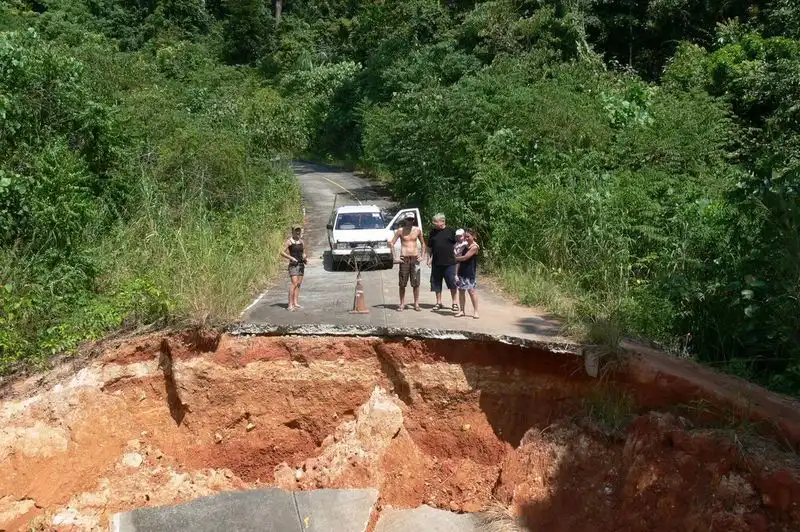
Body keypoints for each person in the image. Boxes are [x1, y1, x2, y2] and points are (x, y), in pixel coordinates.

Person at [390, 212, 425, 311]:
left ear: (413, 220)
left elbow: (423, 243)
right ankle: (402, 304)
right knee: (402, 283)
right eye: (408, 219)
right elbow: (391, 243)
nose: (410, 221)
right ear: (405, 220)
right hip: (404, 259)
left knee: (416, 283)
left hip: (414, 259)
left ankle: (416, 304)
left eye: (411, 219)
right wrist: (395, 257)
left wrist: (422, 256)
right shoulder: (400, 231)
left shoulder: (417, 230)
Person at [426, 213, 458, 312]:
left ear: (443, 221)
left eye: (436, 222)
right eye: (434, 222)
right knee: (436, 283)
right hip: (436, 263)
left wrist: (457, 254)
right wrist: (428, 259)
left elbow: (457, 244)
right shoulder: (433, 232)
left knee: (452, 283)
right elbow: (429, 247)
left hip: (450, 263)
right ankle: (438, 302)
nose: (434, 223)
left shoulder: (451, 231)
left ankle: (454, 303)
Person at [454, 228, 480, 319]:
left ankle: (476, 311)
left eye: (468, 236)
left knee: (471, 292)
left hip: (470, 273)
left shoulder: (474, 247)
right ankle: (462, 311)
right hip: (462, 271)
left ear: (473, 236)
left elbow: (465, 257)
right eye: (465, 237)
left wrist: (453, 258)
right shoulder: (465, 245)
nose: (466, 238)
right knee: (461, 291)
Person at [280, 225, 307, 311]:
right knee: (294, 283)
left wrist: (305, 257)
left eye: (299, 230)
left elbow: (303, 252)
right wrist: (291, 258)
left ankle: (295, 303)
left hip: (301, 264)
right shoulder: (289, 241)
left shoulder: (301, 241)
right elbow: (281, 252)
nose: (298, 232)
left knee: (298, 284)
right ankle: (290, 305)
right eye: (296, 230)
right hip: (293, 265)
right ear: (293, 232)